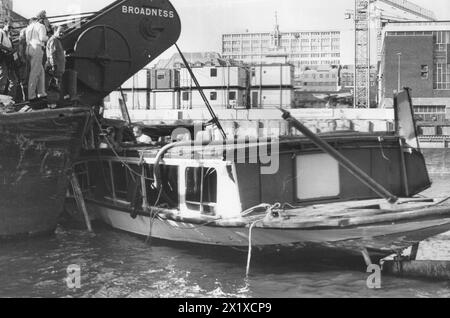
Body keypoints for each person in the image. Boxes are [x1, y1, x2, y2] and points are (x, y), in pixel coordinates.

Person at [26, 15, 48, 101]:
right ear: (40, 20)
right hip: (37, 48)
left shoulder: (29, 27)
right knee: (34, 72)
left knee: (41, 71)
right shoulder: (41, 26)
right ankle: (31, 96)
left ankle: (41, 93)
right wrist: (49, 38)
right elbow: (42, 38)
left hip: (29, 48)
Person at [46, 25, 66, 93]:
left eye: (63, 32)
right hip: (56, 68)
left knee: (57, 85)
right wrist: (54, 65)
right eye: (60, 32)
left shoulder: (57, 40)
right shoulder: (54, 40)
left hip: (59, 68)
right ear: (55, 31)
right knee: (55, 87)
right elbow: (52, 54)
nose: (62, 33)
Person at [0, 23, 18, 99]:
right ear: (5, 25)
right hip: (3, 57)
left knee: (13, 79)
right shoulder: (1, 32)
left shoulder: (8, 36)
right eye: (9, 26)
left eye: (11, 27)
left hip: (9, 59)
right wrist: (8, 49)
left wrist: (13, 50)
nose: (10, 28)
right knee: (3, 77)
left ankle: (10, 99)